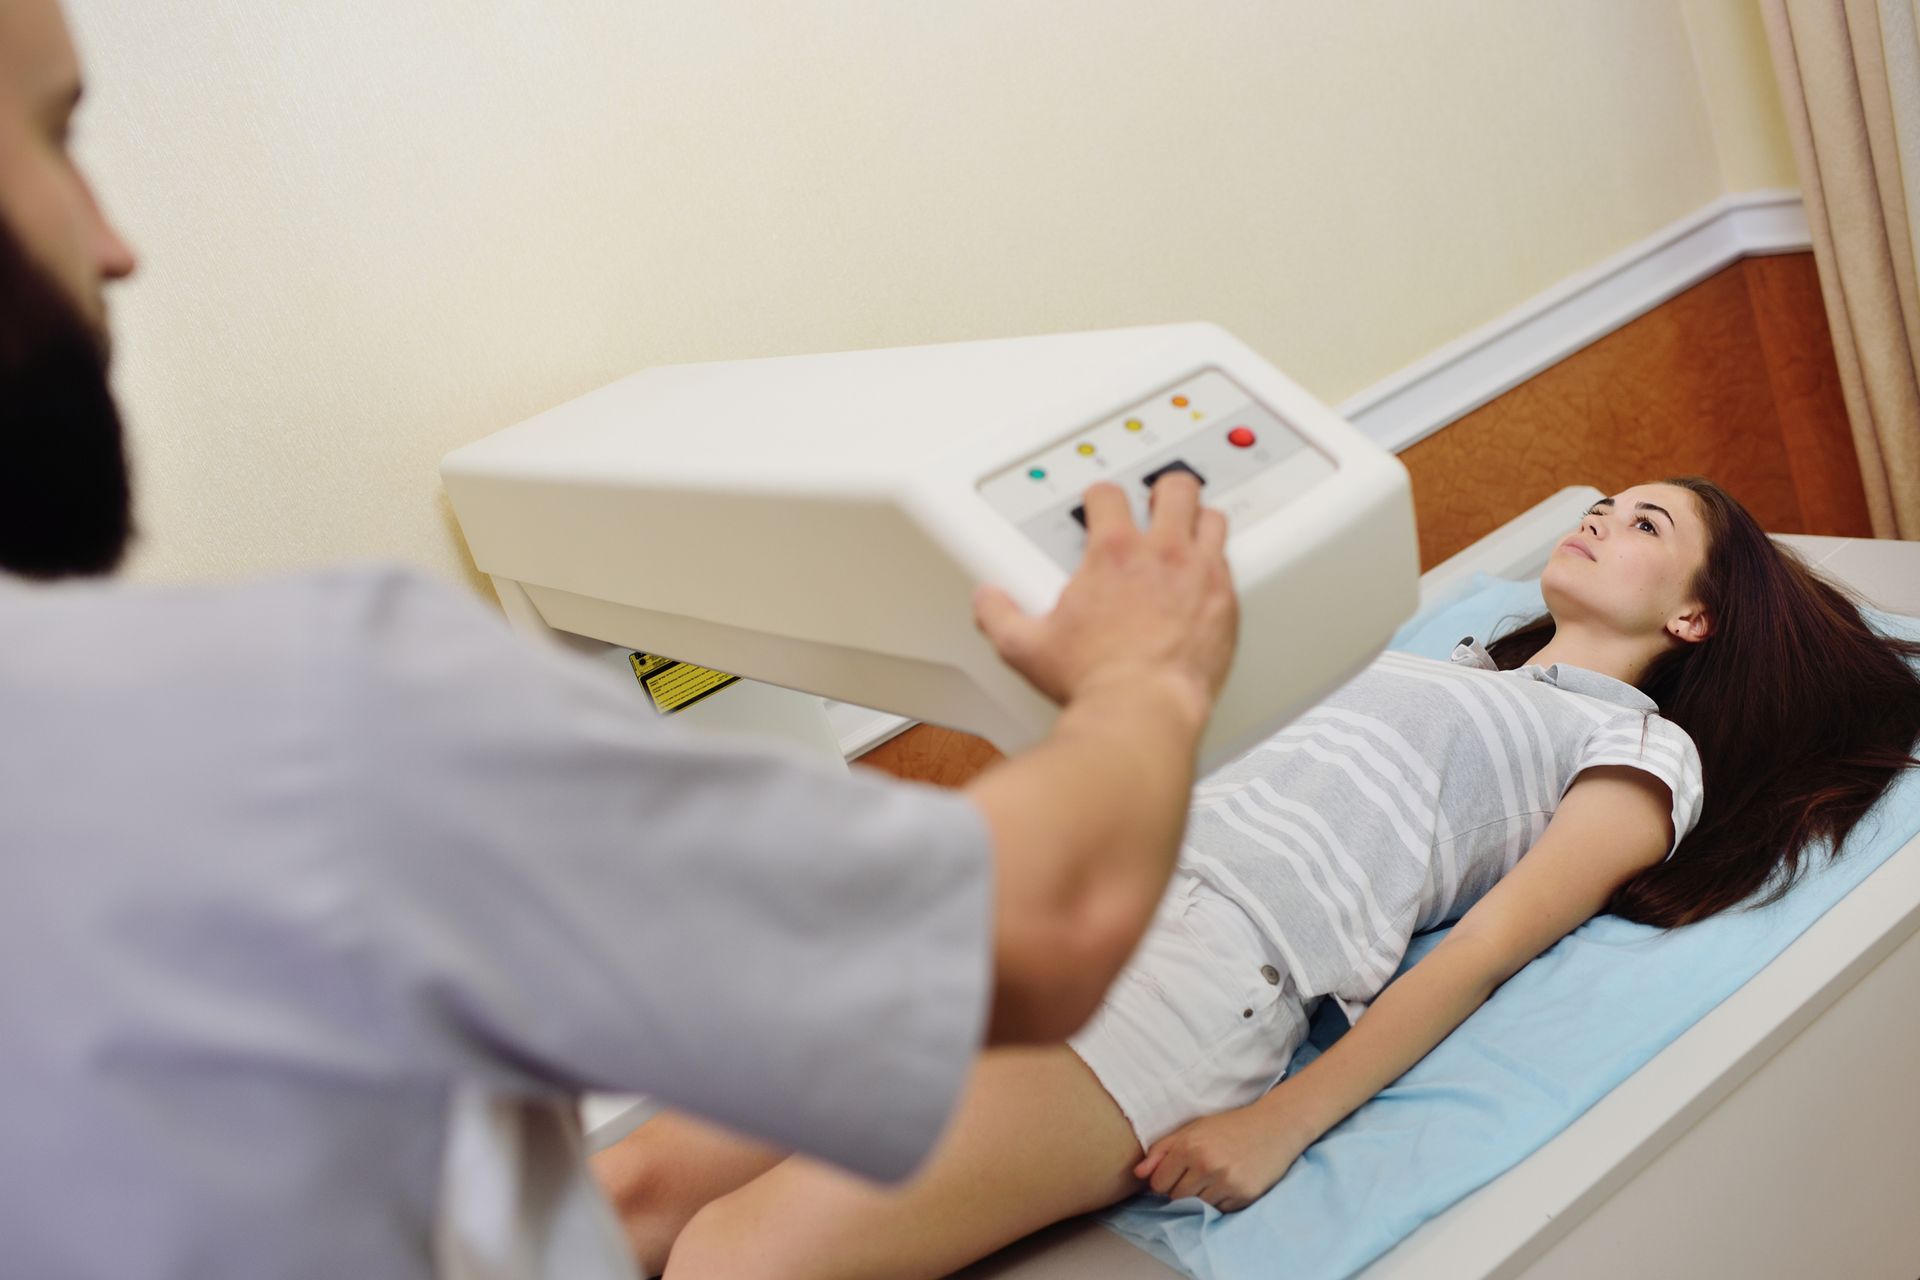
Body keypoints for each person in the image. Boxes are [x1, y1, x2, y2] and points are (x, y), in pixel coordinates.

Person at [0, 3, 1243, 1276]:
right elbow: (1042, 924)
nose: (116, 243)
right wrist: (1142, 677)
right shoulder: (297, 712)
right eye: (55, 135)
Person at [603, 476, 1920, 1280]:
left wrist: (1284, 1121)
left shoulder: (1637, 750)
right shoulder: (1440, 661)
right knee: (622, 1193)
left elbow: (1484, 948)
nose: (1598, 515)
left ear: (1694, 615)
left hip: (1188, 978)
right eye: (1605, 498)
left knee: (737, 1258)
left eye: (1642, 523)